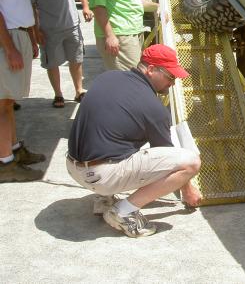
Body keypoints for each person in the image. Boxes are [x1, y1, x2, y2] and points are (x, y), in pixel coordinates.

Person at [66, 44, 202, 238]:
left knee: (119, 132)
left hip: (74, 168)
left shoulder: (108, 77)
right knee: (189, 163)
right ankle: (123, 212)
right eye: (170, 77)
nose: (173, 83)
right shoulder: (153, 108)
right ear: (151, 69)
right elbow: (167, 155)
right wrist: (187, 190)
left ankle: (104, 199)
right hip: (101, 176)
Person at [0, 0, 46, 182]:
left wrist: (30, 36)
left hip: (17, 35)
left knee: (8, 102)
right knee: (2, 103)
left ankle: (13, 150)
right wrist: (10, 48)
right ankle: (5, 163)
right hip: (8, 38)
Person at [23, 0, 93, 108]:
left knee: (76, 58)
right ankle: (58, 94)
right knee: (51, 62)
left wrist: (85, 6)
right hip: (48, 28)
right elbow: (31, 6)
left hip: (72, 23)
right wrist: (35, 31)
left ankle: (79, 90)